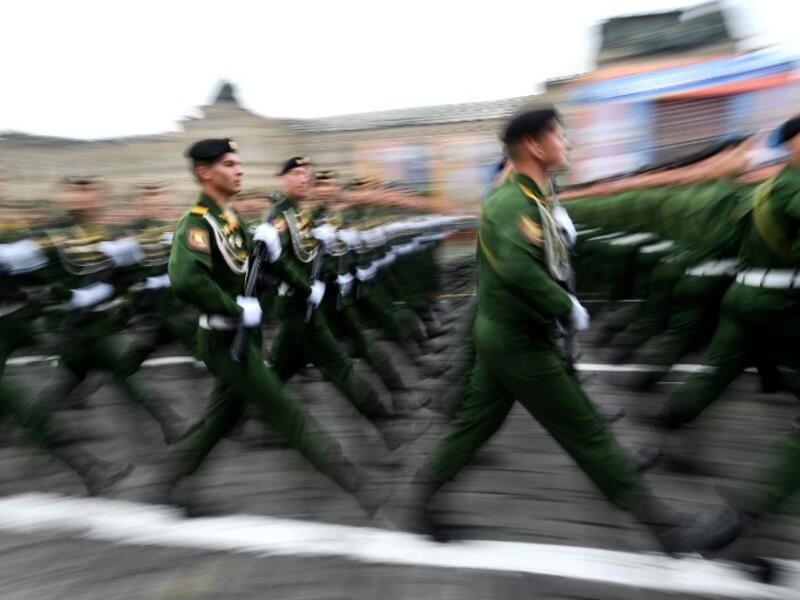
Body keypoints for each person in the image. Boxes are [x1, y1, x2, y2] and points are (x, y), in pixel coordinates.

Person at [406, 106, 742, 555]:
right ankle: (668, 530)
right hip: (519, 341)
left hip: (512, 335)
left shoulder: (538, 197)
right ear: (533, 144)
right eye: (559, 135)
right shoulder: (512, 203)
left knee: (472, 427)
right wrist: (565, 305)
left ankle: (419, 500)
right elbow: (516, 270)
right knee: (586, 433)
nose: (567, 143)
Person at [163, 139, 384, 516]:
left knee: (223, 416)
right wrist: (234, 307)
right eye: (229, 164)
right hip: (222, 337)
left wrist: (298, 280)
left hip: (242, 335)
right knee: (282, 407)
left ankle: (174, 475)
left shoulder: (229, 221)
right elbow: (185, 279)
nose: (239, 170)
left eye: (238, 162)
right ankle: (352, 480)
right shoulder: (197, 223)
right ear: (205, 172)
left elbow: (266, 263)